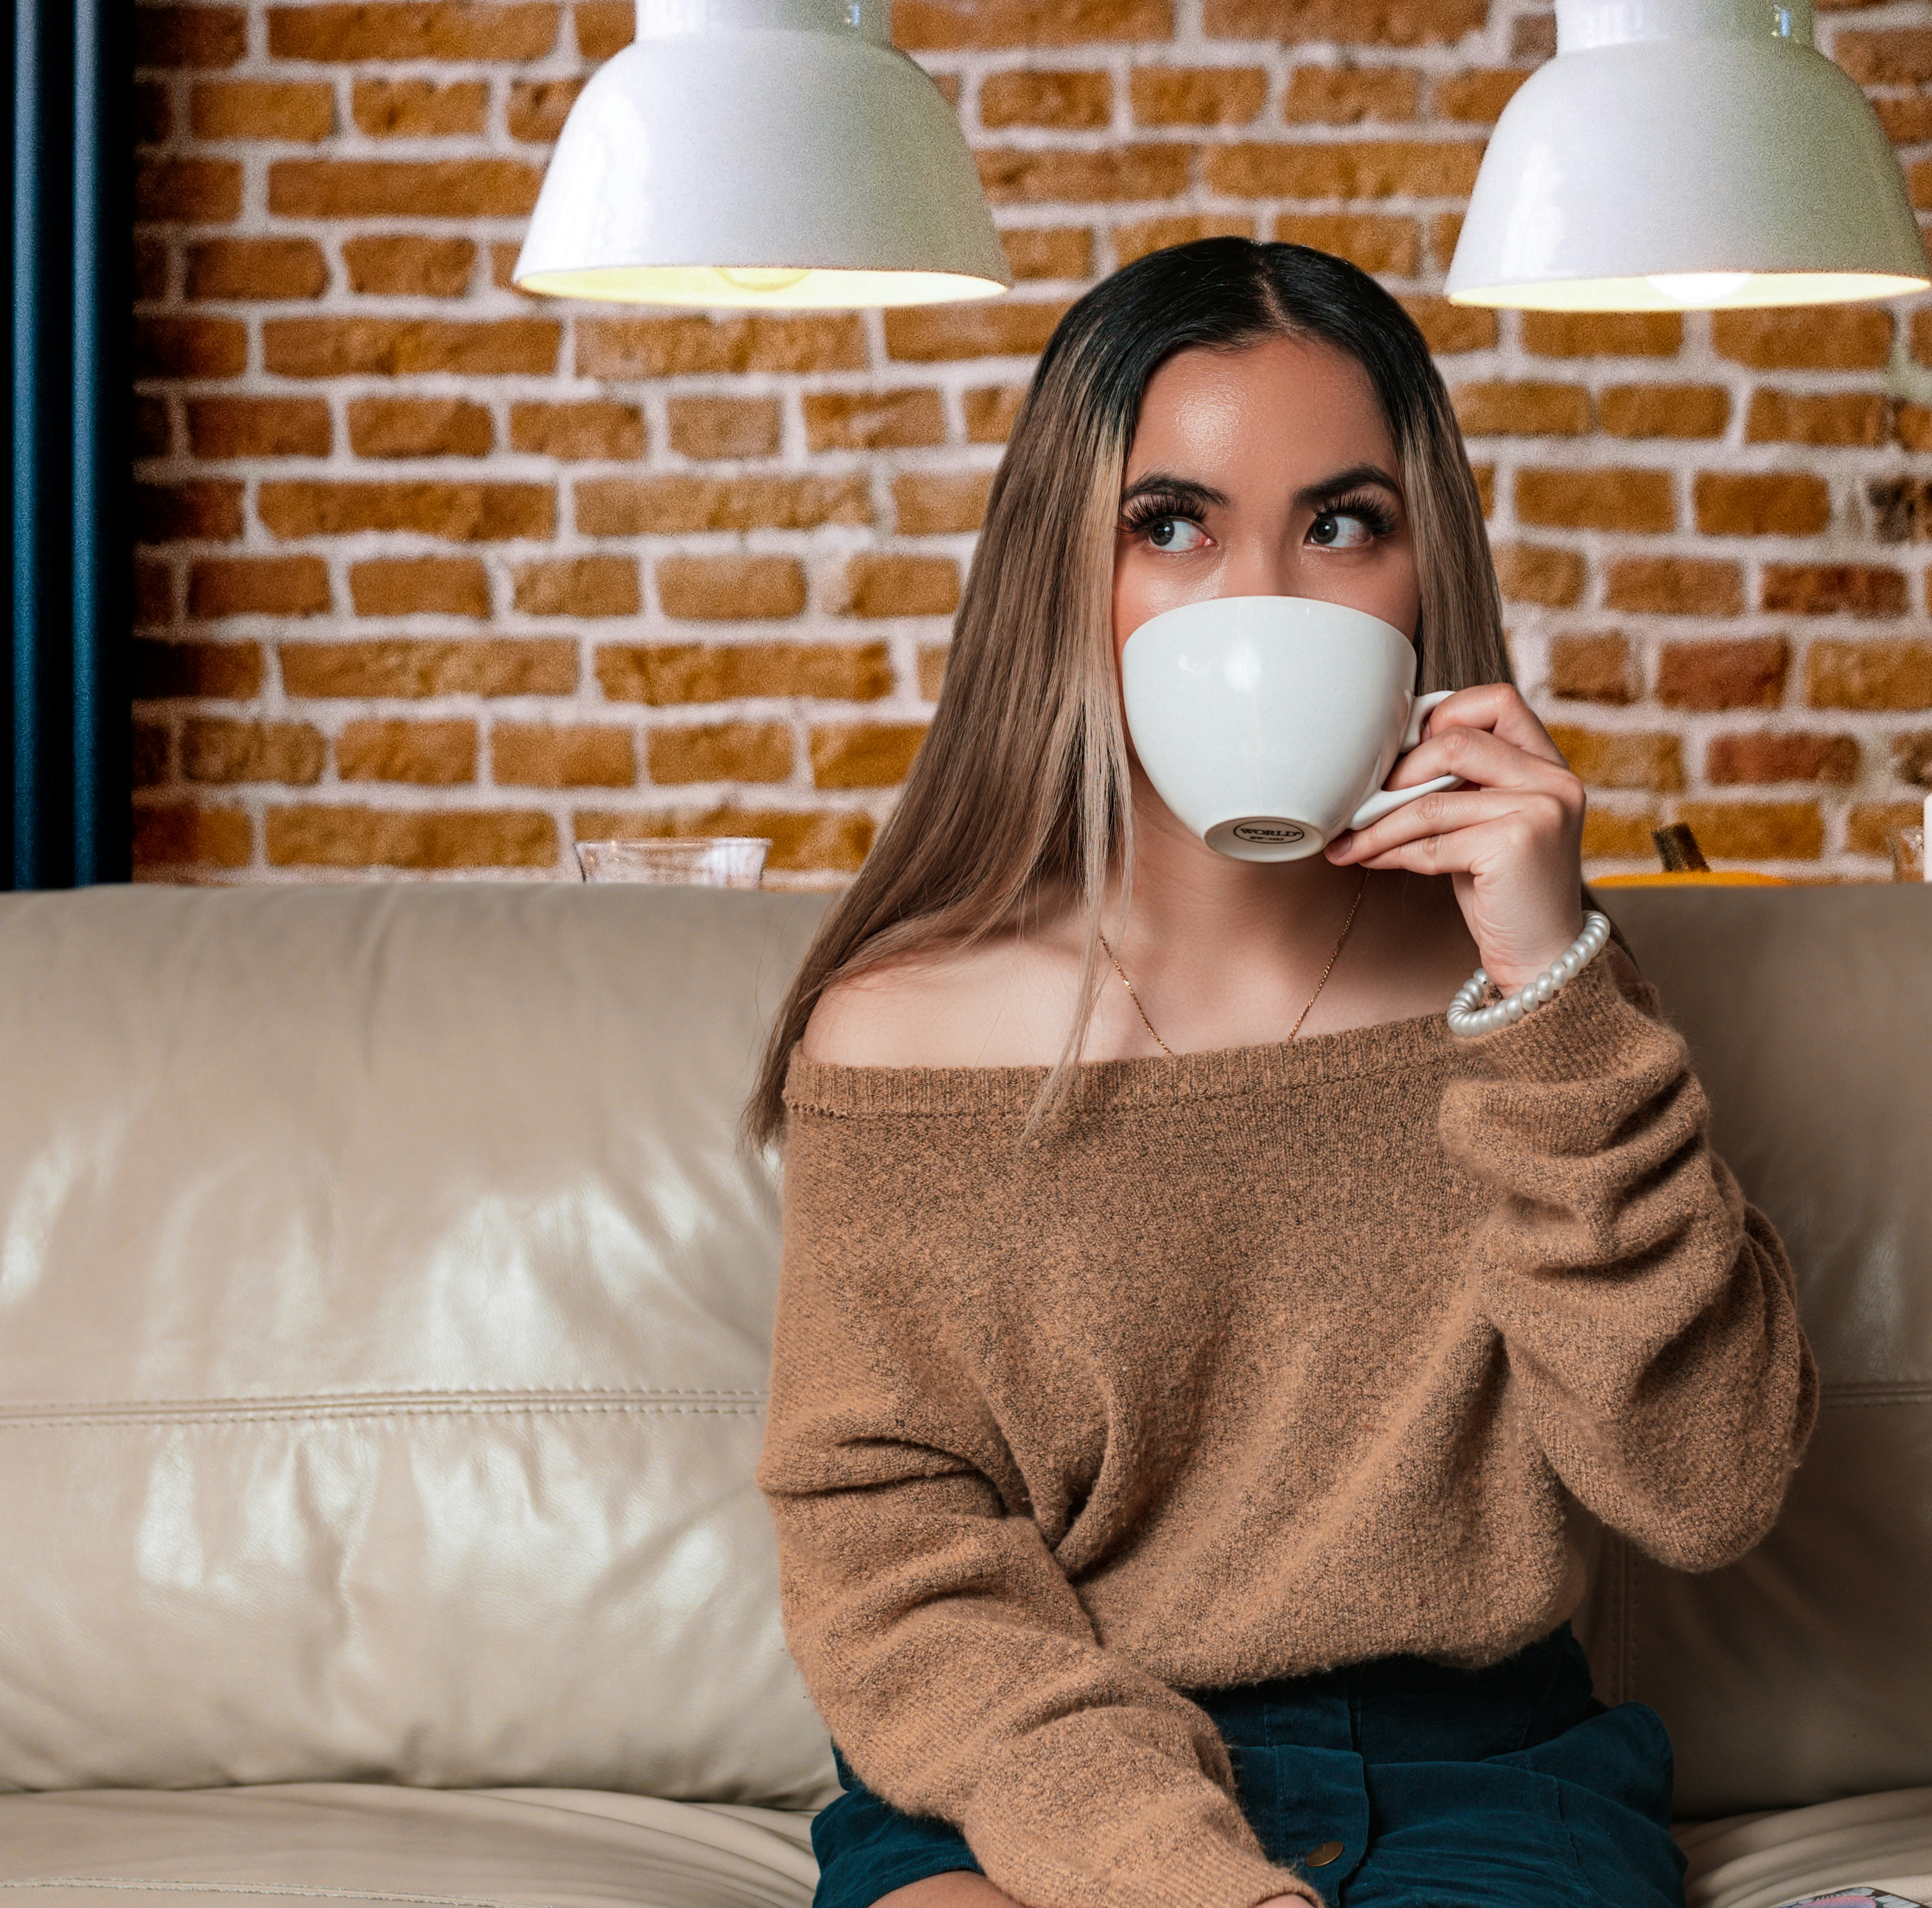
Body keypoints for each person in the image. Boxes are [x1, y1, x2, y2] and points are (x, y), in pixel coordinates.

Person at [748, 238, 1817, 1908]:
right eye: (1169, 525)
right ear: (1066, 577)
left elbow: (1707, 1484)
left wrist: (1548, 972)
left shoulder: (1536, 990)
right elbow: (893, 1561)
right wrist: (1176, 1876)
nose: (1260, 602)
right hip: (1028, 1771)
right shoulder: (897, 1029)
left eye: (1342, 523)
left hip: (1477, 1777)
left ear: (1421, 579)